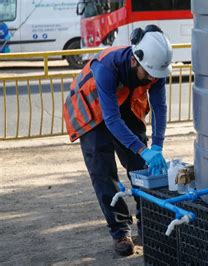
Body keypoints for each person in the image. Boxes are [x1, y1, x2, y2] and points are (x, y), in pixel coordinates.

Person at [63, 25, 171, 256]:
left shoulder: (154, 67)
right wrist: (142, 149)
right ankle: (120, 230)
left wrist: (157, 145)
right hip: (92, 114)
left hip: (123, 108)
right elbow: (111, 119)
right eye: (149, 74)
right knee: (104, 174)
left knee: (142, 169)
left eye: (156, 76)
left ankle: (149, 224)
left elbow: (160, 107)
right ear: (135, 61)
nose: (152, 79)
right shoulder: (107, 68)